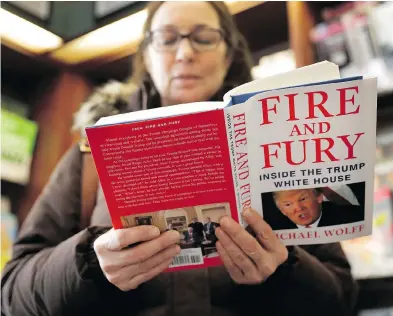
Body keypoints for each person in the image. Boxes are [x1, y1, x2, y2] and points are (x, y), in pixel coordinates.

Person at [1, 2, 359, 316]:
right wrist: (90, 263)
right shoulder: (89, 156)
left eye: (203, 37)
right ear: (147, 55)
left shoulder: (281, 149)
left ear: (228, 52)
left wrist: (284, 269)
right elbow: (13, 294)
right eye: (167, 38)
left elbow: (341, 298)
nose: (185, 53)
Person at [271, 188, 364, 230]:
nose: (299, 208)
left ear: (319, 197)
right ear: (283, 211)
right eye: (288, 204)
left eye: (303, 199)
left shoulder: (349, 216)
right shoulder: (274, 228)